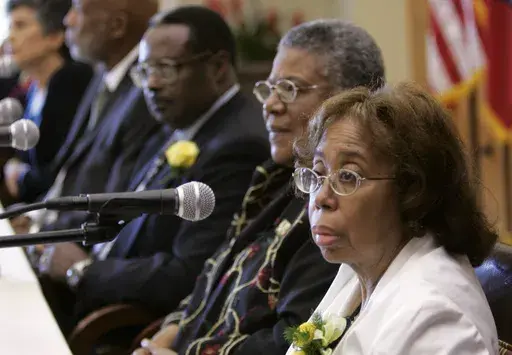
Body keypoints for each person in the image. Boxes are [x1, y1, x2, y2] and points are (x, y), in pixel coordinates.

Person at [133, 19, 386, 355]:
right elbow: (217, 274)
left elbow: (292, 339)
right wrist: (172, 331)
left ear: (349, 101)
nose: (270, 104)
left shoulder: (340, 207)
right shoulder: (275, 178)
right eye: (270, 88)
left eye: (290, 89)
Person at [49, 6, 271, 332]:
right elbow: (123, 202)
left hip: (123, 324)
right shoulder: (178, 122)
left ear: (218, 67)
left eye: (165, 69)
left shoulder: (237, 146)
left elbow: (187, 273)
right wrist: (54, 233)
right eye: (145, 70)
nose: (151, 84)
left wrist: (82, 271)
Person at [286, 82, 498, 354]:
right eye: (317, 172)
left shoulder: (437, 318)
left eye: (348, 176)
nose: (321, 198)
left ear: (411, 190)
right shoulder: (358, 270)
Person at [22, 0, 162, 334]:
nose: (67, 20)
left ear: (116, 26)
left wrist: (43, 232)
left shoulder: (146, 94)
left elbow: (112, 199)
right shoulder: (103, 74)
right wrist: (36, 216)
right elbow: (71, 168)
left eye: (78, 11)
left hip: (82, 262)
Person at [3, 0, 93, 204]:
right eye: (10, 26)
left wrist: (20, 176)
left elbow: (64, 174)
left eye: (21, 25)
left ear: (54, 37)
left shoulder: (72, 82)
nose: (10, 37)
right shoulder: (34, 87)